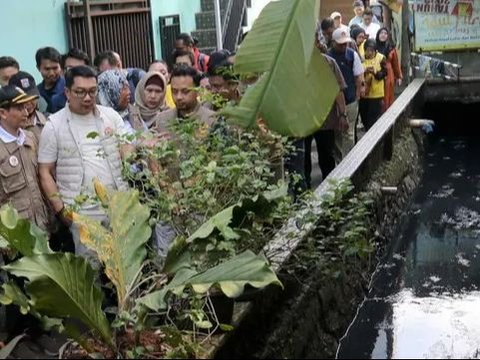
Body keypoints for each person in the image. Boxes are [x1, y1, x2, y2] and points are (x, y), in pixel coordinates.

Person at [38, 65, 133, 257]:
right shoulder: (54, 125)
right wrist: (61, 210)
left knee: (126, 264)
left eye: (92, 91)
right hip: (82, 212)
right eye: (80, 92)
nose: (88, 98)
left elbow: (127, 145)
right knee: (92, 271)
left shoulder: (110, 116)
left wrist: (129, 153)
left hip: (119, 205)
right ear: (67, 92)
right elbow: (45, 171)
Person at [0, 85, 50, 230]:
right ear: (3, 113)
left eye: (26, 107)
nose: (26, 112)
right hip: (17, 235)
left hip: (43, 227)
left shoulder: (30, 138)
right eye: (19, 108)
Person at [305, 54, 348, 188]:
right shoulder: (297, 62)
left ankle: (328, 188)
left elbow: (338, 90)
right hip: (304, 119)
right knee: (304, 157)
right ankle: (304, 190)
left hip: (326, 118)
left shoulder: (329, 63)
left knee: (327, 156)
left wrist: (342, 114)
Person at [328, 28, 365, 156]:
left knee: (349, 134)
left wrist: (358, 94)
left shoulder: (352, 55)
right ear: (333, 42)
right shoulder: (328, 57)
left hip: (350, 101)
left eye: (345, 43)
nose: (344, 46)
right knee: (336, 135)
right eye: (340, 43)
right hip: (332, 103)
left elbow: (358, 76)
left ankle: (350, 162)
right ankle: (339, 164)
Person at [154, 65, 216, 135]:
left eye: (185, 91)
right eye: (174, 91)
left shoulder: (211, 119)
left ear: (198, 91)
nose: (179, 97)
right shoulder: (162, 119)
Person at [8, 71, 46, 141]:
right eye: (23, 99)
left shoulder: (48, 121)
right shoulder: (5, 125)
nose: (28, 103)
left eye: (32, 98)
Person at [52, 48, 91, 113]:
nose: (75, 73)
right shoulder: (56, 101)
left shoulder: (95, 97)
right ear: (62, 72)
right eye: (70, 69)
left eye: (80, 69)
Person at [359, 39, 387, 131]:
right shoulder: (361, 59)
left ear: (375, 50)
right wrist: (365, 71)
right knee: (364, 117)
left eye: (372, 50)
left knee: (372, 118)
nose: (369, 53)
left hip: (376, 94)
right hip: (364, 94)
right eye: (367, 50)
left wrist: (375, 73)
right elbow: (357, 74)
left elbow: (384, 74)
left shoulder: (381, 58)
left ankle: (372, 138)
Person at [376, 27, 403, 111]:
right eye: (381, 33)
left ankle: (387, 114)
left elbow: (395, 63)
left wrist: (399, 76)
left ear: (388, 36)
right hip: (376, 72)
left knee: (388, 95)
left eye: (385, 33)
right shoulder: (373, 46)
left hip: (388, 74)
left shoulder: (391, 47)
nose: (383, 35)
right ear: (378, 35)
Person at [36, 47, 65, 114]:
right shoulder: (36, 92)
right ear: (38, 68)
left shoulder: (68, 88)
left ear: (60, 66)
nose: (51, 73)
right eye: (47, 69)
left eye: (55, 68)